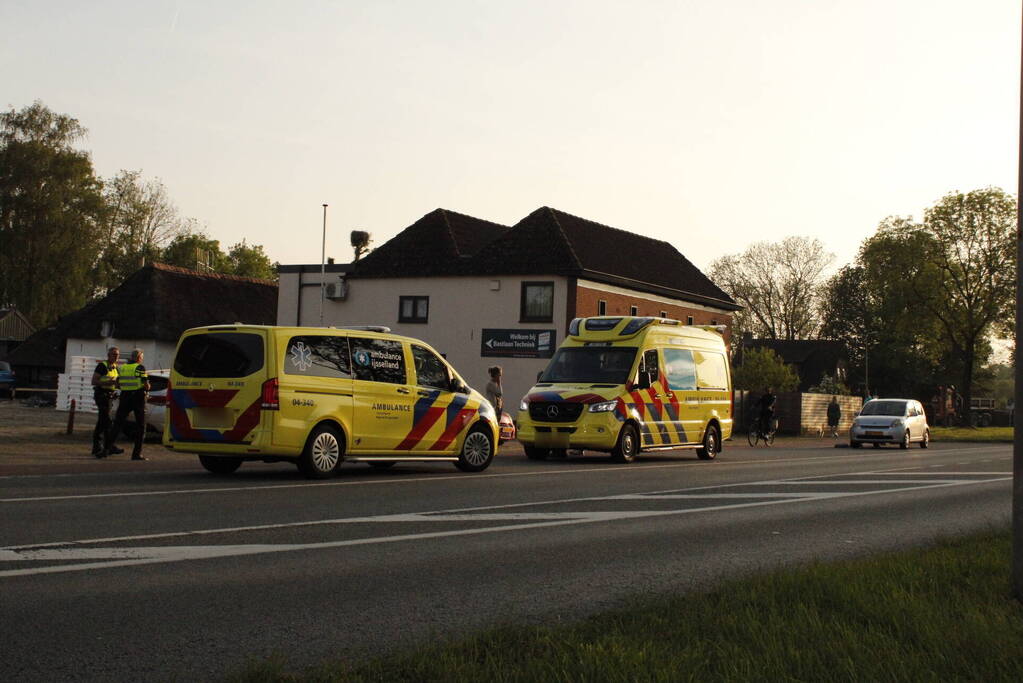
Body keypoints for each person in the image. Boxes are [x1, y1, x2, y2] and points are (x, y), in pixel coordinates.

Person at [106, 349, 150, 460]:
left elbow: (118, 384)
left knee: (117, 424)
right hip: (138, 397)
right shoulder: (139, 367)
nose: (142, 359)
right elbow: (146, 385)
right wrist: (147, 387)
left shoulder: (123, 367)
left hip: (125, 397)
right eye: (142, 358)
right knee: (140, 426)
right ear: (139, 357)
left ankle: (106, 449)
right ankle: (136, 454)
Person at [90, 346, 124, 458]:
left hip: (109, 396)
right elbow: (94, 381)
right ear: (108, 355)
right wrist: (109, 383)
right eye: (114, 354)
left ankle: (96, 447)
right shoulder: (102, 366)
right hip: (101, 395)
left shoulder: (116, 367)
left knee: (101, 422)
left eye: (117, 354)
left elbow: (117, 383)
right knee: (107, 422)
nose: (116, 356)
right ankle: (110, 446)